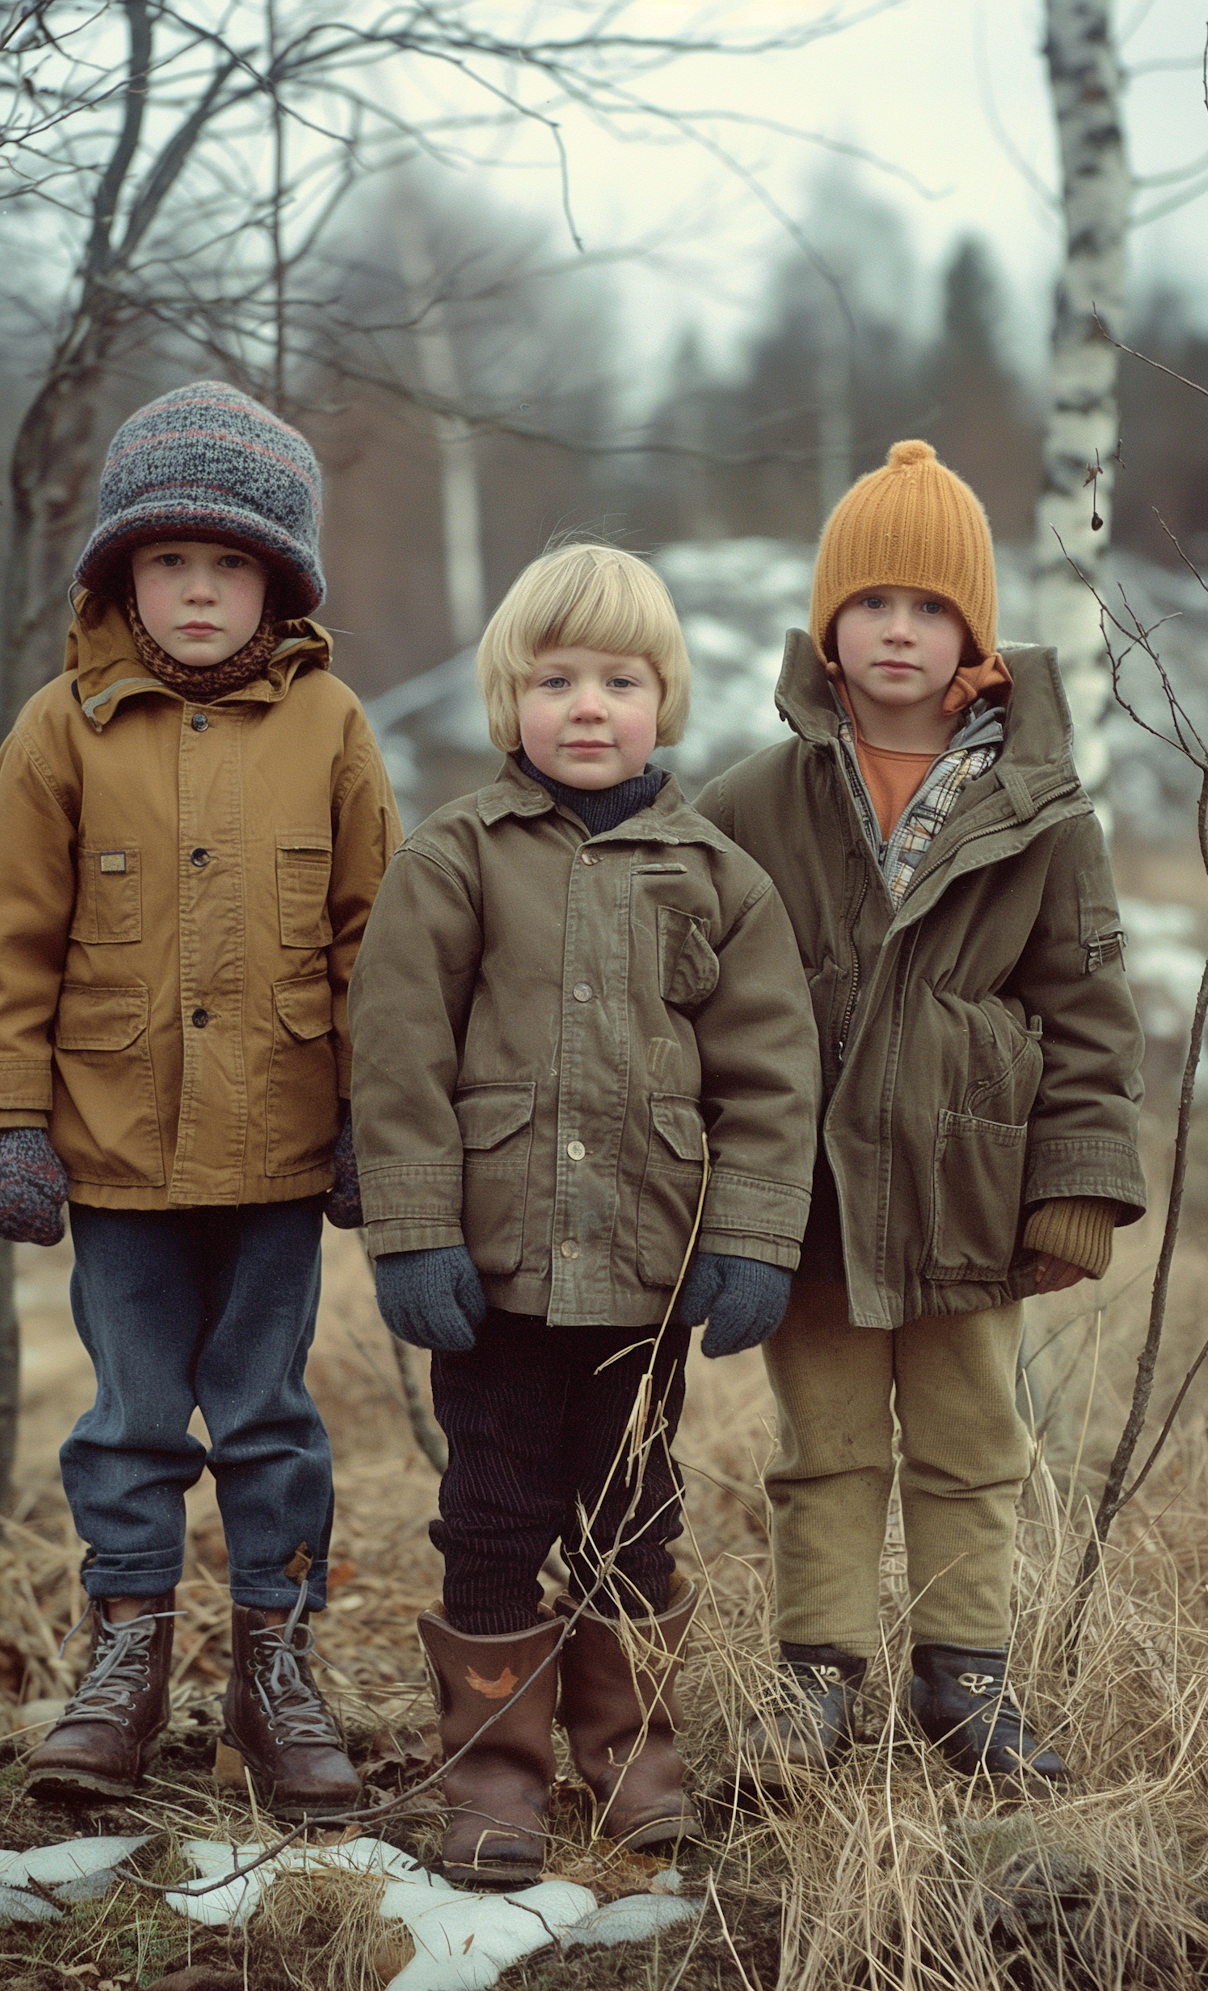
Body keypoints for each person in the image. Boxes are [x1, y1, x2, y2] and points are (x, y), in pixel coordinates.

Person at [0, 381, 401, 1813]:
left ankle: (278, 1665)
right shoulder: (61, 728)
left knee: (268, 1413)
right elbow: (2, 934)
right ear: (118, 572)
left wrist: (376, 1127)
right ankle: (126, 1659)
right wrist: (4, 1120)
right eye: (169, 562)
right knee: (132, 1414)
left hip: (277, 1150)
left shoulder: (330, 726)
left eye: (230, 564)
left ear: (280, 578)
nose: (198, 592)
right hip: (113, 1153)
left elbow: (372, 939)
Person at [348, 543, 817, 1884]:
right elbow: (395, 1057)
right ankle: (494, 1767)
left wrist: (749, 1238)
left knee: (632, 1509)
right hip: (488, 1277)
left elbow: (771, 1073)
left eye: (619, 679)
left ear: (663, 698)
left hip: (646, 1272)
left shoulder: (716, 875)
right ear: (512, 700)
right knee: (491, 1507)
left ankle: (632, 1746)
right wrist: (415, 1229)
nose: (589, 706)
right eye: (556, 679)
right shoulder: (455, 857)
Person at [695, 440, 1146, 1797]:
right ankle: (815, 1677)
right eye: (873, 602)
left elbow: (1087, 1001)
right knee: (822, 1441)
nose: (900, 629)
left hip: (972, 1186)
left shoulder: (1041, 806)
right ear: (828, 623)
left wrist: (1077, 1183)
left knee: (970, 1442)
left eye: (931, 607)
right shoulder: (757, 797)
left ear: (974, 634)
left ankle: (968, 1680)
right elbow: (690, 975)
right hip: (815, 1198)